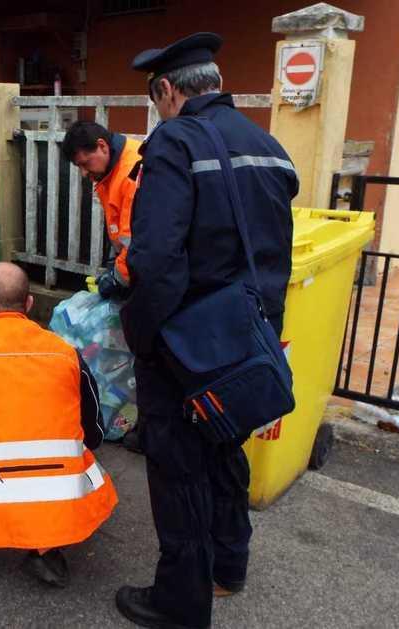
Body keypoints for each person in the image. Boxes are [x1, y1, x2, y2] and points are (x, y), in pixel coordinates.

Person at [114, 33, 297, 629]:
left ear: (167, 90)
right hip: (248, 337)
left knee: (177, 467)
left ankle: (180, 603)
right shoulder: (268, 145)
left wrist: (138, 333)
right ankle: (228, 567)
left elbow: (157, 259)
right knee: (224, 448)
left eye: (154, 96)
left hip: (185, 342)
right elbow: (276, 254)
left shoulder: (174, 142)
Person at [0, 262, 118, 586]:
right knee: (72, 453)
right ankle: (46, 550)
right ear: (29, 305)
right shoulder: (66, 353)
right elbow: (95, 432)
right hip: (55, 488)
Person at [61, 121, 142, 300]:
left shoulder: (132, 173)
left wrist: (117, 278)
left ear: (102, 146)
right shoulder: (110, 170)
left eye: (85, 163)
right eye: (78, 167)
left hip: (145, 273)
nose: (83, 173)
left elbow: (136, 241)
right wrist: (114, 263)